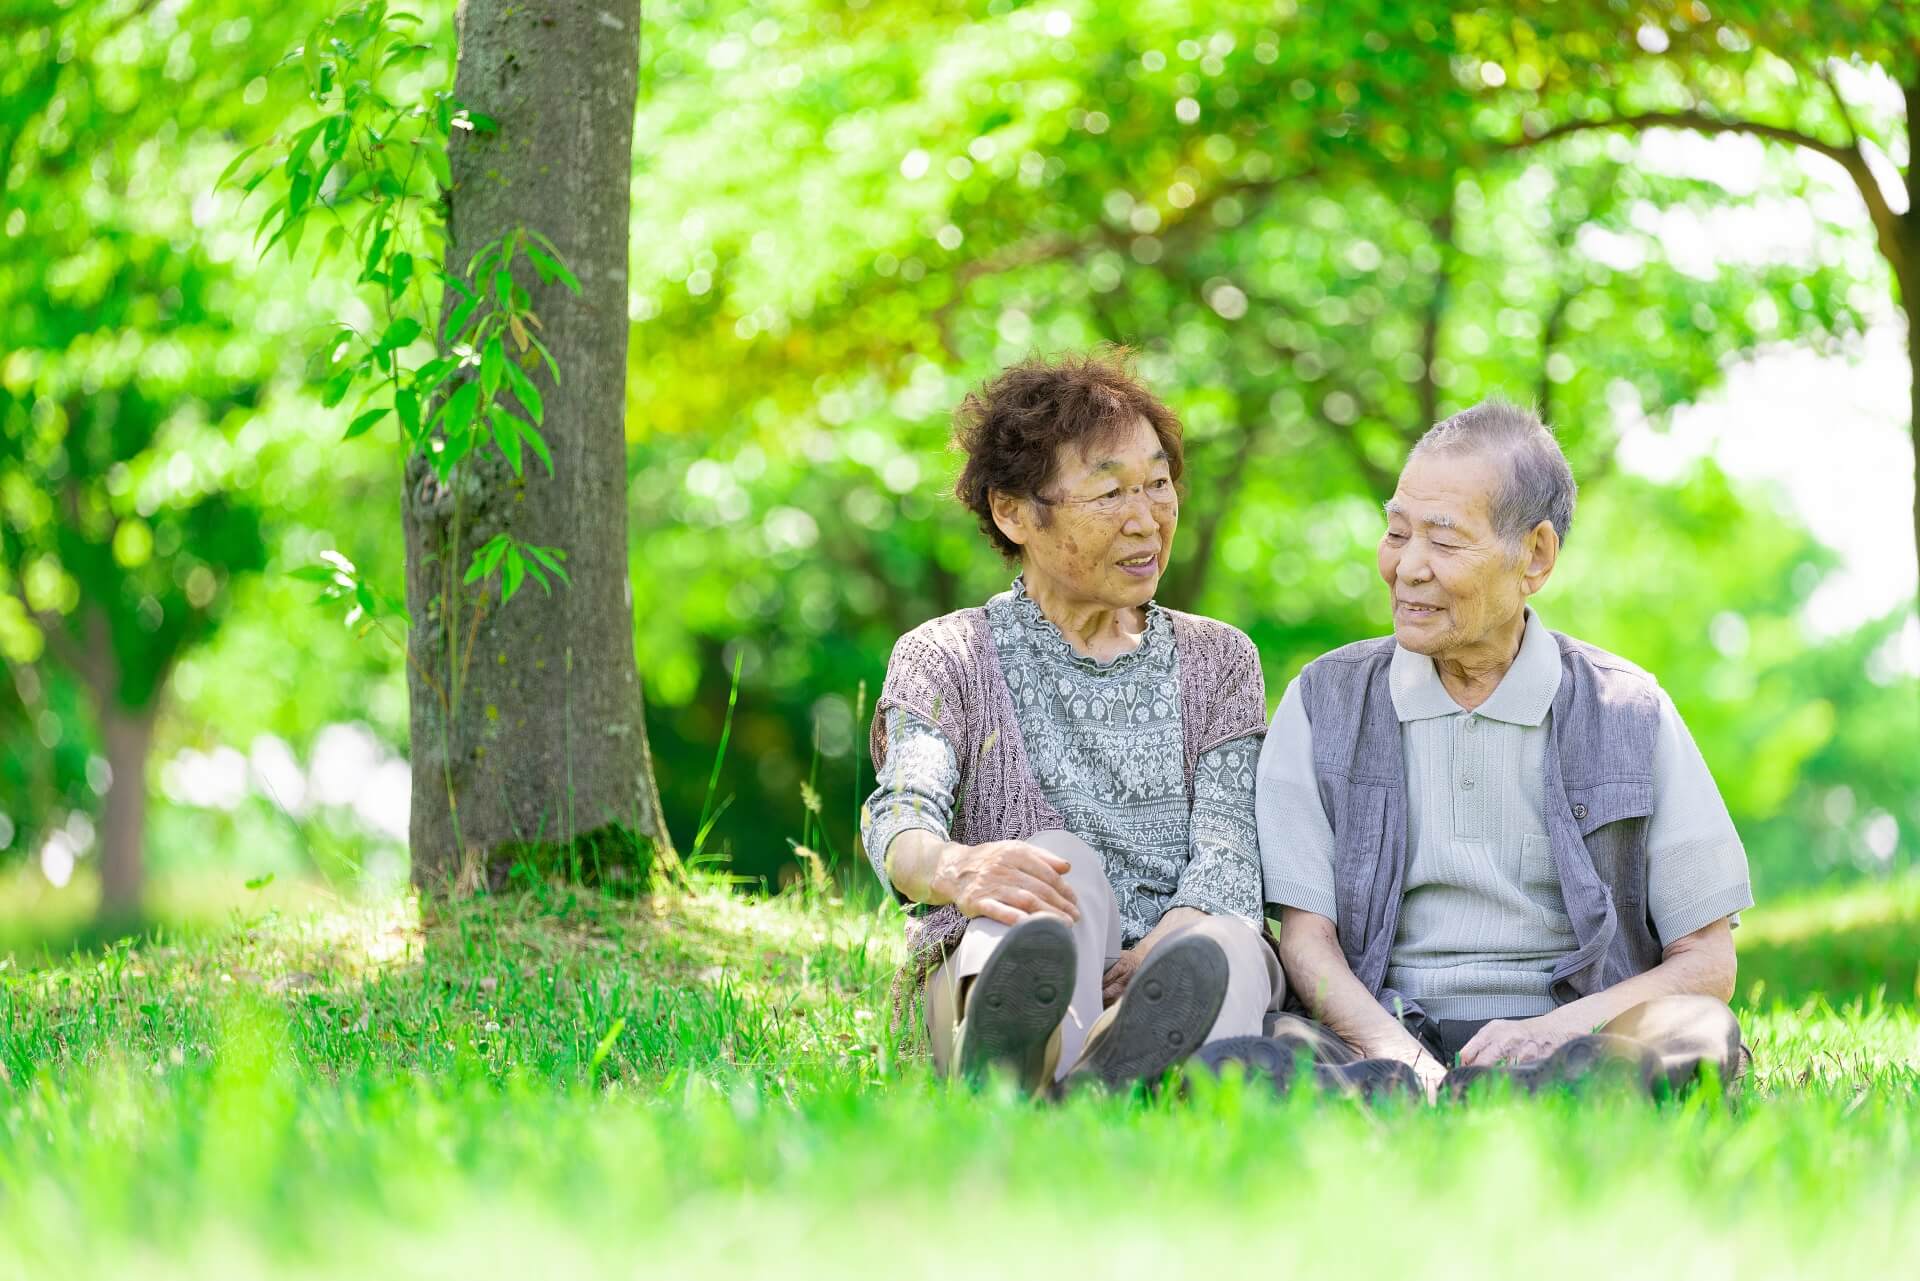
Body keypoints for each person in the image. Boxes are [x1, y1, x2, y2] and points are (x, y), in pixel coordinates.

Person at [1249, 400, 1751, 1100]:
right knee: (1260, 1047)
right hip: (1378, 1035)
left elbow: (1706, 962)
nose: (1408, 567)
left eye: (1445, 542)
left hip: (1578, 1034)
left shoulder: (1630, 711)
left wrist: (1554, 1033)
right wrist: (1402, 1056)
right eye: (1397, 533)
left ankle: (1539, 1086)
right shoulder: (1322, 702)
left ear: (1535, 556)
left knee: (1696, 1030)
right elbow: (1308, 941)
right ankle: (1415, 1091)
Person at [862, 348, 1282, 1093]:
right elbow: (901, 814)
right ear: (1013, 511)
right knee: (1053, 866)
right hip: (1014, 953)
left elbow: (1231, 855)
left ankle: (1095, 1068)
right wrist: (961, 868)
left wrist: (1167, 944)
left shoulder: (1222, 660)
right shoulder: (947, 654)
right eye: (1110, 493)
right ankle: (1046, 1056)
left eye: (1158, 485)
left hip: (1175, 956)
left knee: (1226, 945)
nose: (1146, 518)